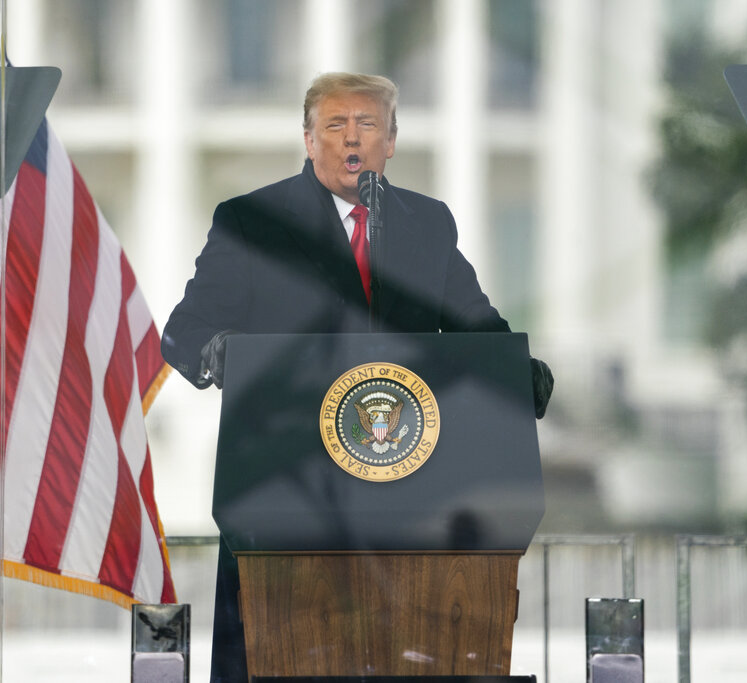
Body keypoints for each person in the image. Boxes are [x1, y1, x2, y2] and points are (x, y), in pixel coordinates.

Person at [161, 72, 553, 683]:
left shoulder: (427, 223)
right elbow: (184, 331)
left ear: (391, 140)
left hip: (410, 496)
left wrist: (511, 370)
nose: (352, 139)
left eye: (367, 125)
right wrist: (219, 349)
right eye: (335, 125)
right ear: (309, 139)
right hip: (285, 494)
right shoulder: (251, 221)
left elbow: (473, 319)